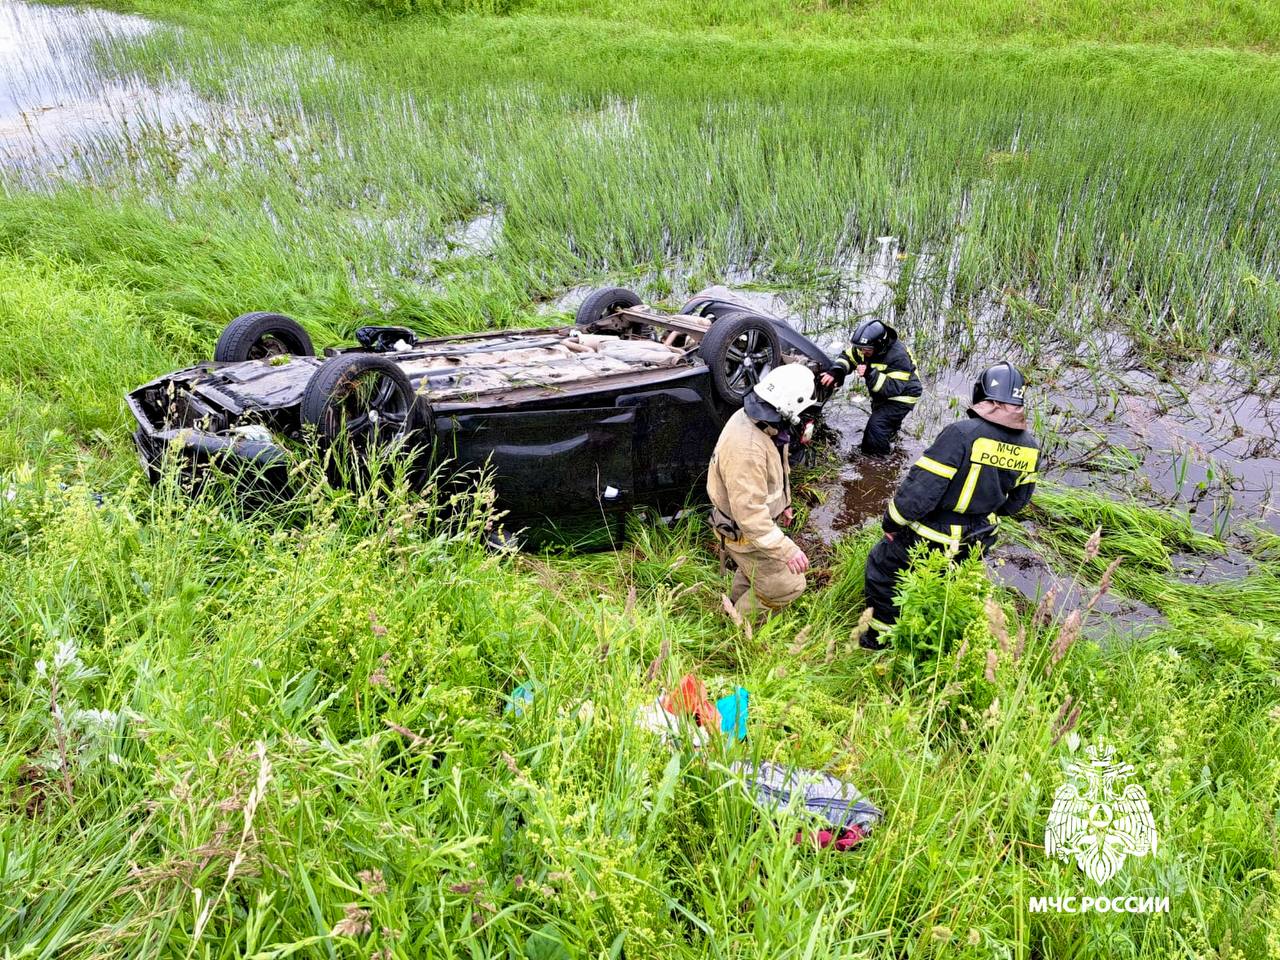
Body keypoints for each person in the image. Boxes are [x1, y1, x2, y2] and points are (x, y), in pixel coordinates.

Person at [861, 361, 1039, 648]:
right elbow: (1017, 502)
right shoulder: (1030, 446)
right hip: (980, 536)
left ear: (980, 394)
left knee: (883, 571)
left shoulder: (961, 434)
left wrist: (892, 522)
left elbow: (921, 490)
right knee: (947, 582)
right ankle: (929, 635)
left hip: (933, 533)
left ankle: (879, 639)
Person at [707, 364, 817, 620]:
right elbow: (750, 516)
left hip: (748, 527)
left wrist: (784, 504)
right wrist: (787, 549)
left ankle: (733, 605)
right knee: (787, 586)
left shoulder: (763, 423)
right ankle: (736, 630)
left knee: (753, 570)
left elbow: (777, 467)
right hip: (744, 530)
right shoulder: (748, 450)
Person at [820, 320, 922, 456]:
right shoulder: (866, 347)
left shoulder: (898, 356)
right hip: (882, 393)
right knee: (886, 425)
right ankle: (892, 443)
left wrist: (869, 373)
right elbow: (847, 357)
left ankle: (876, 463)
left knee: (876, 428)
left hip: (902, 396)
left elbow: (892, 388)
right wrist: (837, 371)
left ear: (879, 345)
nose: (862, 352)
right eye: (860, 348)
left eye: (866, 350)